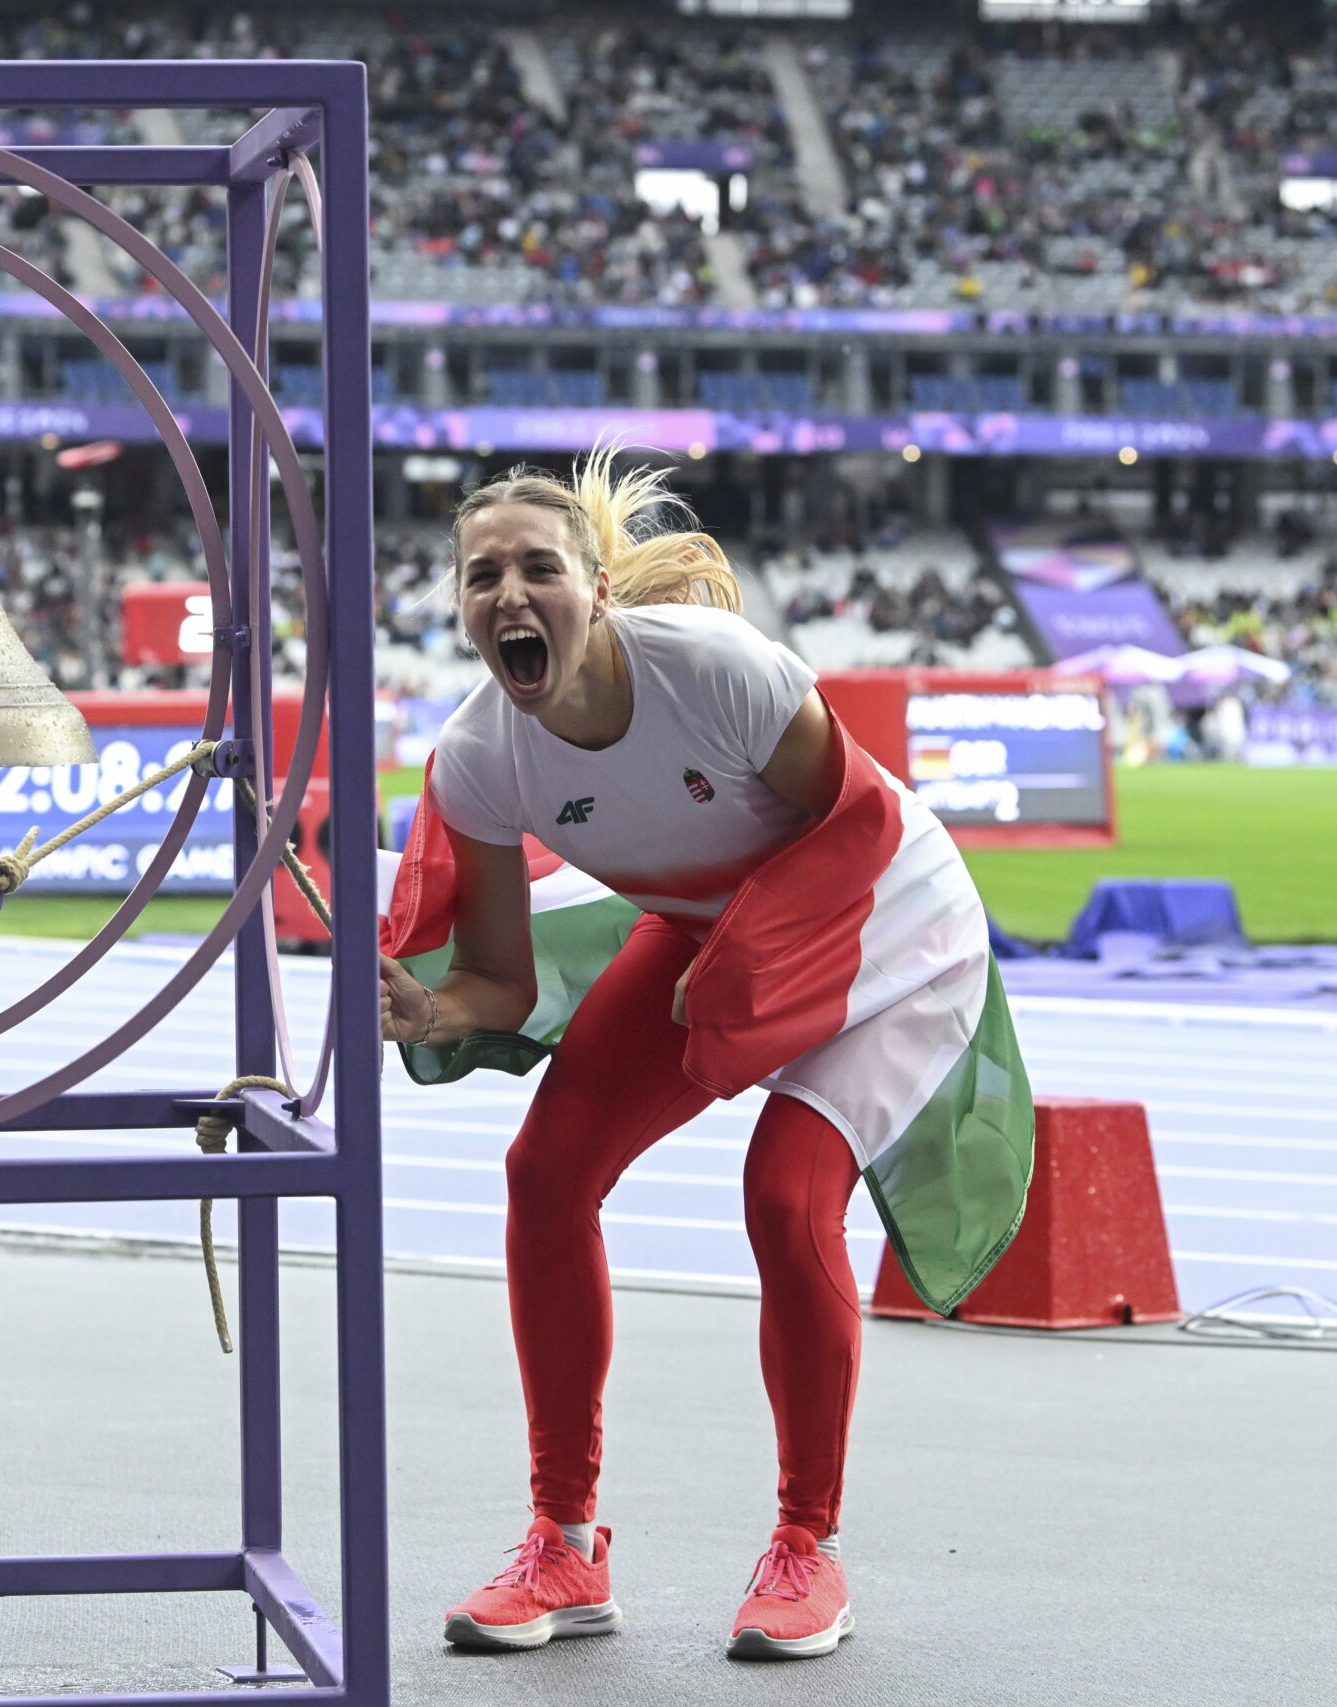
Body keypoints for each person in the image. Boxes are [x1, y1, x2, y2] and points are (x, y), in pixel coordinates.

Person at [379, 449, 1031, 1662]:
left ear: (597, 589)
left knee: (785, 1198)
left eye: (537, 568)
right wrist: (431, 1013)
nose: (509, 595)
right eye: (482, 579)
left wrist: (745, 975)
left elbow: (858, 836)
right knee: (547, 1171)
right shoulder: (479, 758)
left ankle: (807, 1549)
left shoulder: (720, 673)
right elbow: (501, 984)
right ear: (460, 610)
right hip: (707, 940)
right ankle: (563, 1540)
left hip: (888, 931)